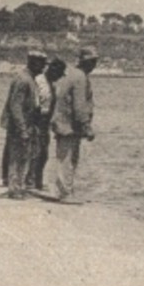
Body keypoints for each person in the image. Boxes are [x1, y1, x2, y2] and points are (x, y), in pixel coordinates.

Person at [50, 47, 97, 202]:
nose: (94, 65)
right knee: (68, 159)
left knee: (65, 158)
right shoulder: (80, 77)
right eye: (92, 62)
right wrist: (86, 126)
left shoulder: (72, 74)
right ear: (86, 62)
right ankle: (65, 193)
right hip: (68, 125)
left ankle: (65, 191)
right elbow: (79, 105)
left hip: (64, 122)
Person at [0, 51, 47, 198]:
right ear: (33, 62)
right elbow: (16, 106)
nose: (44, 67)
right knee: (17, 158)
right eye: (42, 63)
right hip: (20, 126)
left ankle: (18, 187)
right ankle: (15, 190)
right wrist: (22, 129)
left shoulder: (29, 79)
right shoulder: (23, 80)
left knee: (24, 157)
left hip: (27, 124)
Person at [30, 56, 61, 191]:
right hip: (36, 120)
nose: (59, 77)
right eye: (58, 74)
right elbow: (34, 104)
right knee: (36, 153)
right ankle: (31, 181)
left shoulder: (52, 84)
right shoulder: (39, 81)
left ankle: (37, 181)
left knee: (43, 154)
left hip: (45, 123)